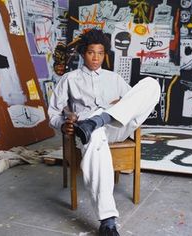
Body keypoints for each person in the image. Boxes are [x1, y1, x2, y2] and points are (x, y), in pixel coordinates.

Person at [48, 29, 160, 236]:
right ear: (84, 53)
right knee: (94, 134)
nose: (96, 57)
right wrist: (63, 125)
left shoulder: (114, 78)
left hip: (116, 126)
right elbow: (53, 113)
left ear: (104, 54)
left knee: (152, 85)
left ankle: (99, 120)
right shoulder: (70, 79)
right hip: (89, 133)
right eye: (92, 52)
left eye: (100, 53)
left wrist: (121, 105)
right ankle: (108, 221)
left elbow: (134, 102)